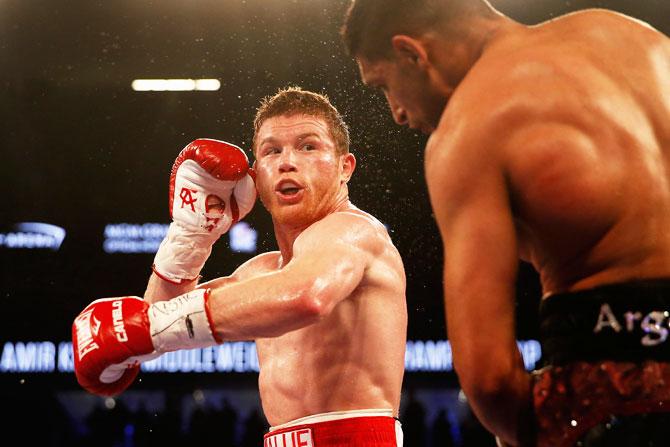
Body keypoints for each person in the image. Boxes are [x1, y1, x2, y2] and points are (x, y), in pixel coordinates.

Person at [341, 1, 670, 446]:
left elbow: (489, 378)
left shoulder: (469, 130)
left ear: (412, 54)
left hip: (609, 393)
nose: (396, 112)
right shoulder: (640, 39)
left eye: (383, 86)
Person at [72, 87, 408, 446]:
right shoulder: (260, 273)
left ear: (345, 167)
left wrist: (149, 327)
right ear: (257, 177)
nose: (287, 162)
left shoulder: (355, 231)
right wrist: (190, 238)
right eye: (271, 150)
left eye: (308, 146)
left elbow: (305, 296)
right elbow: (159, 317)